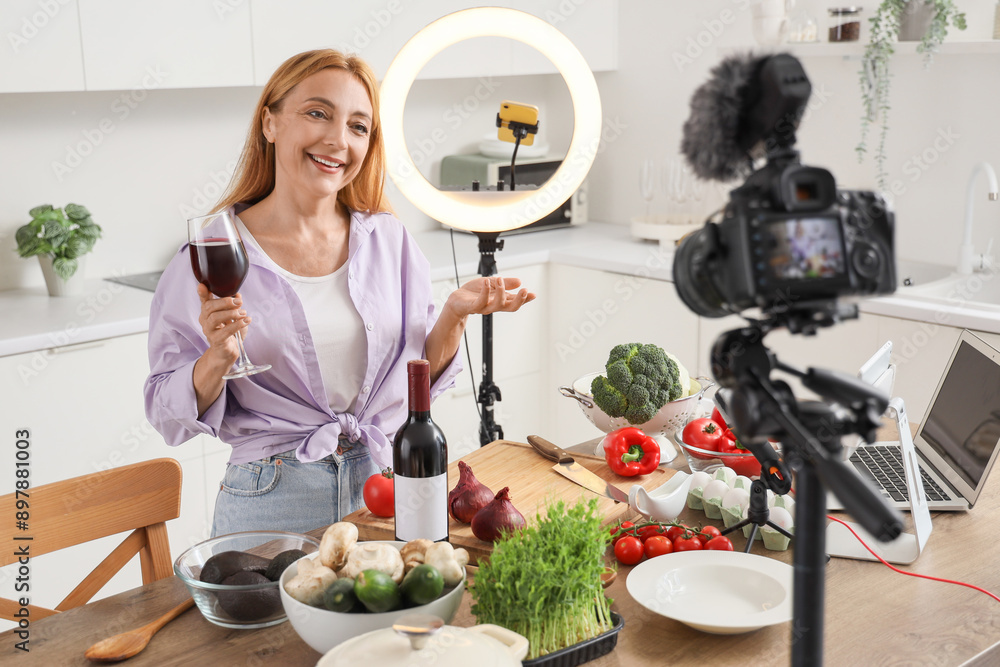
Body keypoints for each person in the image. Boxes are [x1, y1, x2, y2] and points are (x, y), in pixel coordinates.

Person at [144, 50, 535, 537]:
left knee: (399, 616)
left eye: (358, 126)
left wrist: (454, 313)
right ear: (270, 122)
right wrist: (215, 361)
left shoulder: (387, 241)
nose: (337, 140)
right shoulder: (209, 255)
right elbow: (166, 413)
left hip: (386, 484)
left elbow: (419, 381)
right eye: (317, 113)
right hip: (272, 498)